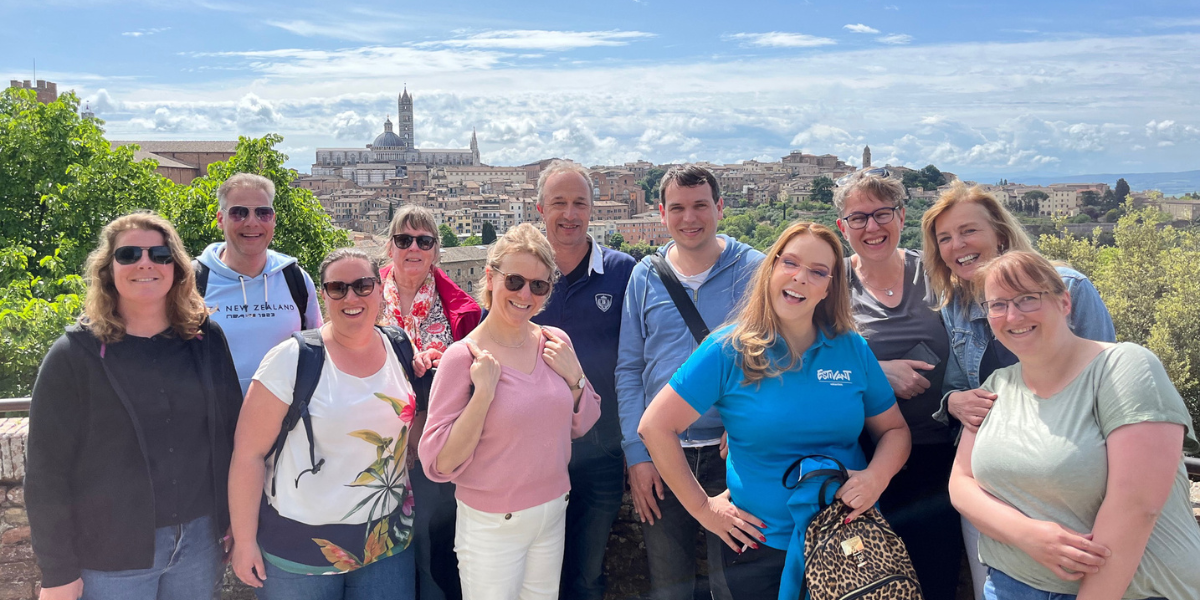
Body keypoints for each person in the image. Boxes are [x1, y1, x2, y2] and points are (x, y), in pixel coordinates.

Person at [639, 222, 911, 600]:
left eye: (817, 271)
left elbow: (895, 431)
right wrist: (704, 510)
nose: (800, 278)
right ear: (771, 268)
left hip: (848, 541)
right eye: (791, 263)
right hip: (760, 548)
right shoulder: (728, 350)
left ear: (829, 287)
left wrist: (877, 476)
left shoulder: (851, 348)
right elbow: (655, 427)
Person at [948, 250, 1200, 600]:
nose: (1012, 315)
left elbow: (1138, 507)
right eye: (997, 304)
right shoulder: (997, 385)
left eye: (1027, 299)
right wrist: (1028, 535)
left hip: (1130, 590)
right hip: (1010, 584)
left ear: (1064, 302)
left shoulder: (1124, 368)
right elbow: (961, 483)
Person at [26, 211, 243, 600]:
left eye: (159, 255)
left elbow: (231, 434)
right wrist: (58, 571)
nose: (145, 263)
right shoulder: (75, 355)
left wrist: (234, 521)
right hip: (111, 553)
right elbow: (45, 472)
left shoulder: (205, 339)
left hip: (199, 544)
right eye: (129, 255)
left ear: (176, 268)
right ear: (108, 270)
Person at [921, 182, 1116, 600]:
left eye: (968, 231)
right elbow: (958, 386)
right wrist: (953, 402)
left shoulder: (1069, 288)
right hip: (993, 489)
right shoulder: (955, 303)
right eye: (945, 238)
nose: (958, 245)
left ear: (1000, 234)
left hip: (1071, 487)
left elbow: (1107, 383)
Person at [418, 223, 602, 600]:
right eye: (515, 280)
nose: (525, 294)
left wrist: (575, 378)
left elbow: (583, 422)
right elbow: (438, 464)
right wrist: (483, 395)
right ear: (490, 277)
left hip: (552, 511)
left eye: (539, 285)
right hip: (491, 525)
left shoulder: (555, 343)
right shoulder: (462, 358)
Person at [228, 248, 418, 600]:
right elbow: (248, 455)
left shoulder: (399, 347)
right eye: (338, 288)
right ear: (324, 294)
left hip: (385, 544)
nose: (351, 297)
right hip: (298, 552)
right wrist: (244, 541)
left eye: (362, 285)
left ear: (379, 289)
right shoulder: (292, 359)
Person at [616, 164, 764, 600]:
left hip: (733, 453)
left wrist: (749, 427)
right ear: (662, 214)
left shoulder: (754, 269)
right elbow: (629, 369)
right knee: (669, 586)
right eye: (677, 208)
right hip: (664, 455)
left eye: (700, 205)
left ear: (719, 207)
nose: (690, 217)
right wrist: (637, 454)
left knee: (735, 586)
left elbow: (776, 359)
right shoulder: (645, 275)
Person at [833, 170, 960, 600]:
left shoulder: (938, 275)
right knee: (870, 582)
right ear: (842, 227)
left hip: (941, 453)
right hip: (861, 459)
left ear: (901, 216)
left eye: (882, 213)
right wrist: (877, 371)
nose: (872, 227)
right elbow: (803, 361)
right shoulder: (831, 286)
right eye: (858, 218)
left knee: (937, 574)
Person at [528, 161, 636, 600]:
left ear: (593, 210)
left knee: (588, 575)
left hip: (602, 449)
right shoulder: (522, 275)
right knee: (536, 574)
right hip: (532, 450)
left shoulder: (623, 272)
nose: (569, 214)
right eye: (559, 203)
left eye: (579, 204)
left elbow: (640, 362)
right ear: (540, 208)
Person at [380, 204, 482, 600]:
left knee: (433, 555)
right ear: (389, 247)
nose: (414, 248)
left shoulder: (463, 313)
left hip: (434, 454)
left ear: (437, 250)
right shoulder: (363, 296)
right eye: (404, 240)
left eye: (424, 241)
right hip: (375, 451)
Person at [195, 172, 323, 395]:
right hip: (213, 422)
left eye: (263, 213)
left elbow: (318, 348)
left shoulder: (296, 279)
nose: (252, 222)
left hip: (287, 422)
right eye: (239, 213)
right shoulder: (192, 281)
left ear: (273, 219)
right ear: (220, 219)